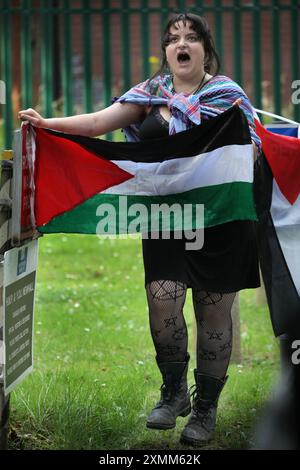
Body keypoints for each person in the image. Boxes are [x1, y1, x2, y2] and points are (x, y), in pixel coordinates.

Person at [19, 12, 261, 446]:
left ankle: (204, 407)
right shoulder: (150, 94)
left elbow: (253, 149)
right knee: (162, 300)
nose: (181, 44)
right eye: (173, 39)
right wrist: (48, 125)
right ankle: (172, 395)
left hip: (222, 219)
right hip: (166, 216)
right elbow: (97, 123)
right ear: (166, 52)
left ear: (205, 48)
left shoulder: (228, 96)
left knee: (213, 311)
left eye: (190, 37)